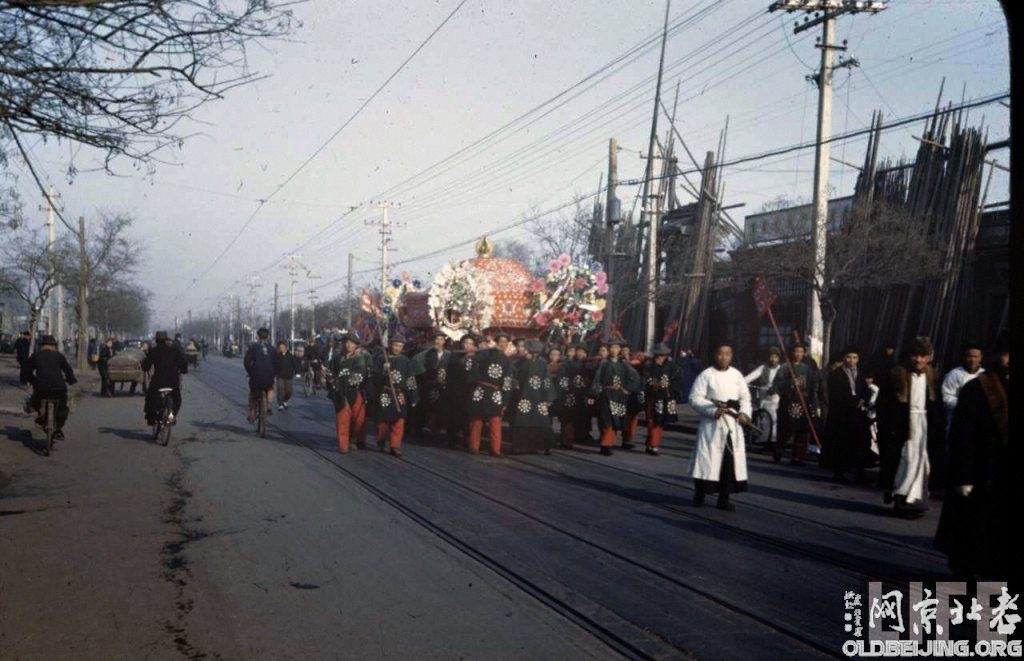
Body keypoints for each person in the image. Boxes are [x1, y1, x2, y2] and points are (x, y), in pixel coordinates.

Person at [934, 353, 1010, 579]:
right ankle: (963, 571)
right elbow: (961, 436)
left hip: (1004, 473)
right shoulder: (977, 388)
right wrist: (963, 475)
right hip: (980, 470)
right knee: (970, 525)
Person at [877, 337, 945, 518]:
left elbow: (936, 404)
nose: (919, 360)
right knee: (906, 460)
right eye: (915, 355)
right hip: (903, 424)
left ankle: (917, 499)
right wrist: (888, 426)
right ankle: (901, 497)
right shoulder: (897, 374)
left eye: (923, 356)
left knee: (922, 461)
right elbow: (884, 404)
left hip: (923, 422)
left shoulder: (932, 376)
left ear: (930, 357)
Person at [688, 341, 751, 511]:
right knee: (707, 460)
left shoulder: (737, 375)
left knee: (728, 464)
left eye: (727, 354)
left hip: (732, 426)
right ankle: (700, 493)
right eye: (720, 353)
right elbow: (695, 398)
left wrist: (744, 414)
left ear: (731, 356)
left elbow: (745, 398)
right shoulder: (706, 375)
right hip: (712, 426)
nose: (724, 357)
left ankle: (724, 498)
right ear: (715, 355)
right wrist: (711, 410)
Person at [822, 346, 871, 483]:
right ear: (844, 358)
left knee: (860, 442)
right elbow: (835, 394)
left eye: (855, 358)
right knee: (840, 442)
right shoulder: (836, 374)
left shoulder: (861, 373)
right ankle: (838, 471)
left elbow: (865, 390)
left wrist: (862, 400)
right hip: (841, 413)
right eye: (849, 357)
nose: (852, 360)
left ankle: (859, 472)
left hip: (858, 412)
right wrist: (852, 400)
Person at [588, 335, 641, 456]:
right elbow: (597, 379)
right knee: (606, 420)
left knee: (616, 420)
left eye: (616, 347)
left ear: (619, 349)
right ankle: (605, 444)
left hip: (619, 396)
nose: (613, 350)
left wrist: (628, 389)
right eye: (611, 347)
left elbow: (635, 377)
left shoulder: (624, 364)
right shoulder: (604, 364)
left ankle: (609, 443)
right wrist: (593, 394)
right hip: (606, 394)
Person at [371, 334, 421, 457]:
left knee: (399, 419)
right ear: (391, 345)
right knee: (383, 420)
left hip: (400, 394)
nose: (397, 348)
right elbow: (374, 377)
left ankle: (395, 445)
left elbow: (410, 379)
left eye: (400, 346)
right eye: (395, 345)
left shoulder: (406, 361)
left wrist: (414, 395)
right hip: (385, 392)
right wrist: (383, 370)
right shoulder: (382, 358)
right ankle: (381, 439)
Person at [20, 335, 77, 440]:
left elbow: (26, 371)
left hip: (41, 388)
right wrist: (71, 380)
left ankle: (40, 418)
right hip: (58, 388)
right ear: (54, 346)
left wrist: (33, 381)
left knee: (35, 402)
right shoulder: (59, 356)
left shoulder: (36, 356)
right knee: (63, 407)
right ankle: (58, 428)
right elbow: (68, 370)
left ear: (41, 346)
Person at [771, 342, 819, 466]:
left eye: (801, 352)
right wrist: (790, 382)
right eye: (796, 351)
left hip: (803, 402)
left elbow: (812, 386)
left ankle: (798, 457)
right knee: (787, 429)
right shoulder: (785, 367)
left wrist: (813, 401)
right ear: (792, 352)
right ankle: (779, 451)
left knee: (802, 430)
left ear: (804, 353)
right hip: (788, 402)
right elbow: (776, 385)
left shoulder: (807, 369)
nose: (798, 354)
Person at [467, 332, 513, 457]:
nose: (503, 344)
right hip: (485, 390)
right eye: (501, 341)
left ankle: (493, 448)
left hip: (490, 391)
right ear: (497, 342)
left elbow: (507, 380)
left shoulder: (504, 359)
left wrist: (505, 398)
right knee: (479, 419)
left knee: (493, 420)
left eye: (505, 342)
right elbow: (474, 370)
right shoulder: (486, 355)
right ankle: (475, 446)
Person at [509, 339, 555, 454]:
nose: (522, 350)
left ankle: (537, 446)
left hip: (536, 396)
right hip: (526, 396)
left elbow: (547, 380)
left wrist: (548, 397)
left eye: (524, 349)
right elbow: (513, 376)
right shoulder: (520, 362)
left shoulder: (540, 363)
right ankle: (525, 446)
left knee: (537, 421)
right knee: (526, 420)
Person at [328, 332, 370, 453]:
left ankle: (354, 438)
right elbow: (330, 372)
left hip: (356, 391)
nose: (348, 345)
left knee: (359, 420)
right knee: (343, 418)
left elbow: (361, 374)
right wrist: (333, 382)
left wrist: (343, 381)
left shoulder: (360, 358)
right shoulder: (337, 358)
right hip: (341, 393)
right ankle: (343, 445)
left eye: (351, 343)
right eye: (346, 342)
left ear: (356, 345)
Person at [642, 343, 684, 455]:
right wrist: (652, 385)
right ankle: (650, 443)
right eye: (658, 355)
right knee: (651, 421)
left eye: (662, 355)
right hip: (652, 396)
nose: (660, 357)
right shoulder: (649, 365)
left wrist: (670, 388)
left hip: (665, 397)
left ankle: (654, 445)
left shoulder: (672, 366)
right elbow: (645, 378)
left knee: (659, 421)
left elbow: (678, 378)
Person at [141, 331, 188, 427]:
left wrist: (145, 366)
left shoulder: (154, 351)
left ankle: (152, 419)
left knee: (151, 398)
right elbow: (183, 365)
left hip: (158, 381)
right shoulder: (174, 351)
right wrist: (183, 370)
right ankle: (172, 416)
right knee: (177, 399)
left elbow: (145, 367)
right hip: (173, 382)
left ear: (157, 340)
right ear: (167, 340)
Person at [415, 331, 451, 440]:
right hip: (430, 383)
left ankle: (439, 429)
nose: (438, 341)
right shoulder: (427, 354)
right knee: (430, 406)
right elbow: (419, 364)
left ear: (444, 341)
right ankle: (429, 428)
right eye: (436, 339)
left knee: (442, 407)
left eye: (440, 339)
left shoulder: (449, 354)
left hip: (444, 385)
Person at [940, 344, 985, 431]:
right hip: (958, 420)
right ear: (965, 356)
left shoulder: (985, 375)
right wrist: (965, 405)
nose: (972, 360)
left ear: (981, 358)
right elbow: (946, 396)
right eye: (970, 356)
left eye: (976, 357)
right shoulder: (954, 374)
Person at [743, 346, 782, 445]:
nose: (773, 359)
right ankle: (763, 439)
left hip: (775, 396)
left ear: (779, 358)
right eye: (771, 357)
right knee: (763, 417)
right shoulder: (763, 367)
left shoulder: (781, 369)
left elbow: (784, 382)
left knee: (773, 417)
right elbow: (751, 377)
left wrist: (776, 389)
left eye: (775, 357)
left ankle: (772, 439)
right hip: (763, 395)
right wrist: (741, 382)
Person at [556, 342, 590, 449]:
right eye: (579, 351)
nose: (580, 354)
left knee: (581, 417)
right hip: (569, 394)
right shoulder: (568, 364)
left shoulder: (588, 365)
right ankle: (566, 440)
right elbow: (562, 379)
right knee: (568, 418)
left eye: (583, 352)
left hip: (582, 395)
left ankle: (580, 437)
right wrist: (562, 392)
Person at [447, 333, 478, 446]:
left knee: (468, 414)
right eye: (466, 343)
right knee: (455, 413)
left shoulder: (476, 357)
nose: (468, 345)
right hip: (456, 388)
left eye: (470, 343)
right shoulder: (455, 356)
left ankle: (466, 437)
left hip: (470, 389)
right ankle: (453, 438)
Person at [243, 328, 276, 423]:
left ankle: (252, 411)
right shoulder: (272, 349)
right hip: (269, 377)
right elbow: (276, 364)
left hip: (256, 377)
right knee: (271, 388)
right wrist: (273, 374)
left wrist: (250, 372)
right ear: (268, 337)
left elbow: (247, 362)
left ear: (257, 336)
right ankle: (269, 404)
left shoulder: (253, 347)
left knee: (252, 394)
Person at [622, 346, 646, 450]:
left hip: (636, 394)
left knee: (632, 417)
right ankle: (625, 438)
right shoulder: (623, 363)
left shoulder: (643, 366)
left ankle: (628, 438)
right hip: (626, 393)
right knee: (626, 417)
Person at [273, 340, 301, 411]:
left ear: (286, 347)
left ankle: (285, 400)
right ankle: (280, 404)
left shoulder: (290, 356)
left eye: (283, 347)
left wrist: (297, 372)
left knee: (289, 391)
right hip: (280, 376)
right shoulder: (277, 356)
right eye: (280, 347)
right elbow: (274, 365)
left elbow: (295, 364)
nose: (281, 348)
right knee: (280, 390)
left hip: (288, 376)